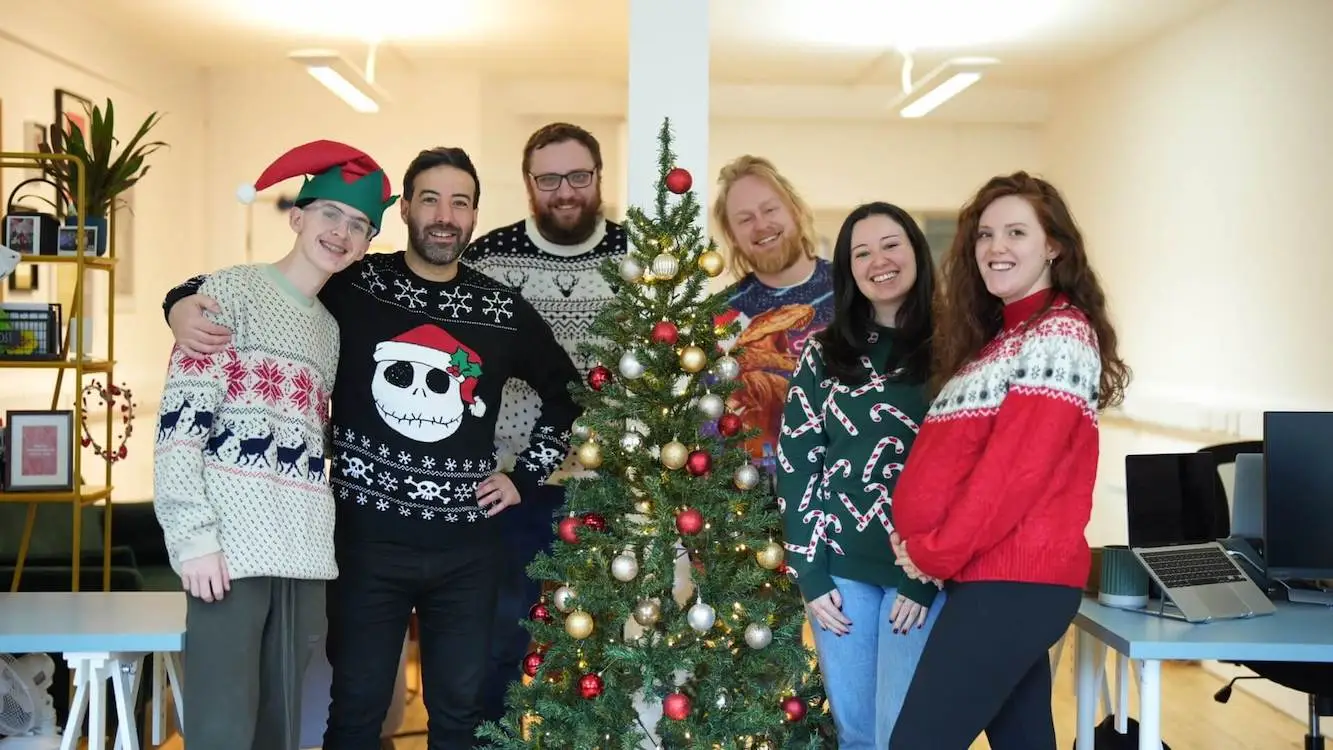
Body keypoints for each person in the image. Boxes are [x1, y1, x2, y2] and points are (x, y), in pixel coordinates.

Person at [160, 147, 583, 749]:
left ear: (473, 217)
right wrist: (176, 305)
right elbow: (241, 290)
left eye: (459, 203)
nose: (444, 214)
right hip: (364, 545)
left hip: (467, 551)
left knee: (461, 715)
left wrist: (524, 475)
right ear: (406, 209)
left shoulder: (500, 311)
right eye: (430, 199)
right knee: (355, 712)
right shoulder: (355, 283)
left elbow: (568, 393)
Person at [152, 139, 396, 750]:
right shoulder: (227, 294)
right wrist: (193, 539)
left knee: (280, 728)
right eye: (330, 214)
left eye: (359, 224)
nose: (341, 233)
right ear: (298, 217)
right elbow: (180, 426)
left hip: (304, 555)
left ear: (368, 243)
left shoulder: (329, 331)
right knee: (222, 727)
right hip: (229, 555)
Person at [886, 171, 1130, 750]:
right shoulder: (999, 342)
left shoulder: (1060, 334)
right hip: (989, 580)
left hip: (1013, 583)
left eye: (1016, 232)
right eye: (985, 234)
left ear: (1054, 246)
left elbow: (1012, 475)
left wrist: (932, 551)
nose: (996, 248)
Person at [462, 122, 626, 724]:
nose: (565, 192)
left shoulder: (638, 259)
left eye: (578, 177)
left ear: (598, 178)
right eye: (549, 178)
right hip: (512, 488)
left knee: (607, 649)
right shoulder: (486, 262)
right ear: (530, 184)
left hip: (614, 487)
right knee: (500, 641)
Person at [776, 202, 945, 748]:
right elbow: (799, 461)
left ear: (917, 252)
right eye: (861, 252)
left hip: (919, 572)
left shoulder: (954, 350)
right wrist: (810, 573)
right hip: (841, 575)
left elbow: (961, 468)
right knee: (855, 733)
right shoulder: (823, 355)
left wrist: (923, 575)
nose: (879, 261)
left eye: (891, 245)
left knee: (904, 735)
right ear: (847, 270)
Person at [711, 155, 834, 475]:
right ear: (732, 235)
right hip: (755, 509)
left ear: (794, 209)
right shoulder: (722, 318)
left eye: (770, 209)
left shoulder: (854, 292)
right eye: (745, 219)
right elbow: (711, 426)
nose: (761, 225)